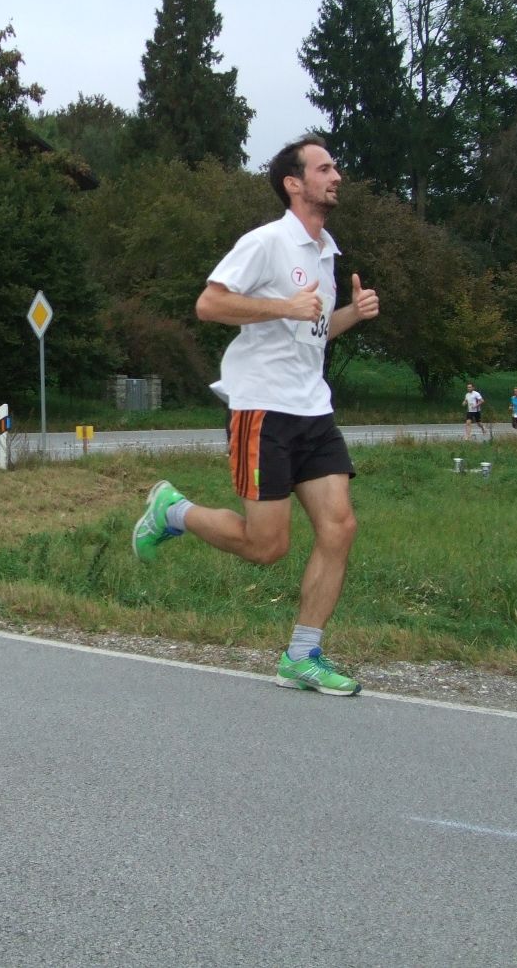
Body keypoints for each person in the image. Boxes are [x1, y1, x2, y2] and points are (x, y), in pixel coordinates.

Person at [131, 133, 379, 696]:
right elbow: (209, 303)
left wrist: (351, 315)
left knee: (340, 527)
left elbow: (312, 332)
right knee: (268, 547)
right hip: (262, 408)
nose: (336, 176)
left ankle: (302, 656)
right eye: (324, 168)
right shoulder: (267, 242)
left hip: (313, 408)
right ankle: (173, 511)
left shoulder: (326, 252)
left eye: (336, 167)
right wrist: (283, 305)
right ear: (294, 183)